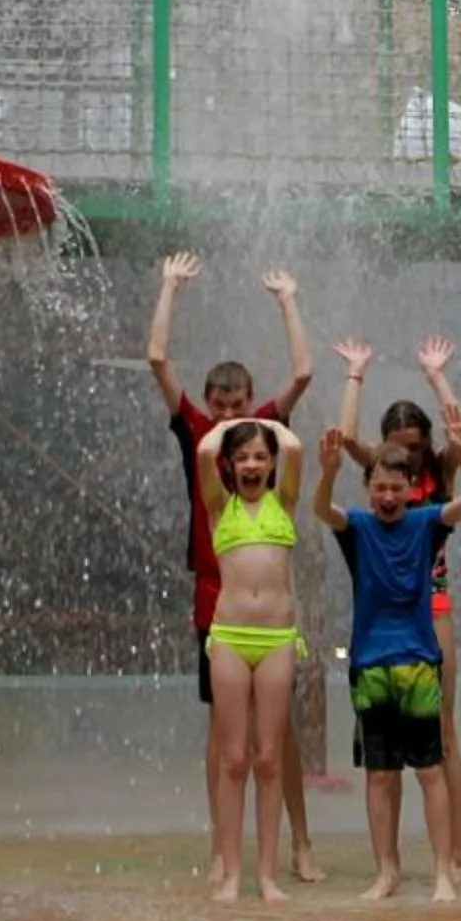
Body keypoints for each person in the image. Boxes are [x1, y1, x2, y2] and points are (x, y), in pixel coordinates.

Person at [146, 250, 322, 885]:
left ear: (251, 403)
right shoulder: (199, 434)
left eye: (237, 404)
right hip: (213, 595)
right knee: (223, 729)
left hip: (269, 600)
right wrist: (169, 287)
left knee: (278, 732)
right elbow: (159, 361)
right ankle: (224, 850)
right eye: (219, 405)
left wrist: (287, 300)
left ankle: (299, 842)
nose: (227, 416)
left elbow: (304, 371)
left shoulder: (262, 437)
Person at [317, 410, 461, 902]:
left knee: (429, 770)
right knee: (379, 774)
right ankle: (386, 871)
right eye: (379, 488)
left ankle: (441, 872)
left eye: (396, 488)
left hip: (417, 663)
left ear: (413, 488)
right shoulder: (359, 528)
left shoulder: (427, 523)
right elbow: (323, 511)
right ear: (368, 489)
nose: (387, 497)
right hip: (371, 666)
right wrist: (327, 473)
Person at [191, 417, 305, 902]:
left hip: (277, 638)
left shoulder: (284, 503)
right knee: (233, 759)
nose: (252, 464)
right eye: (242, 457)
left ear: (272, 463)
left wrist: (265, 425)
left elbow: (297, 445)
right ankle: (233, 873)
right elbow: (202, 453)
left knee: (269, 758)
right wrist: (235, 423)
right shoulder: (221, 508)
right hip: (231, 638)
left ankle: (268, 876)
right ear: (231, 466)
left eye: (260, 455)